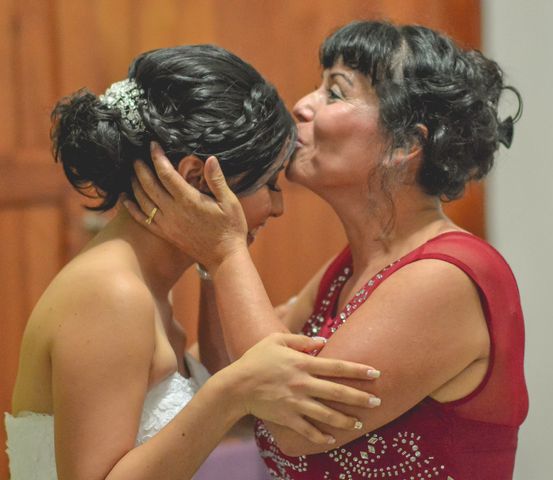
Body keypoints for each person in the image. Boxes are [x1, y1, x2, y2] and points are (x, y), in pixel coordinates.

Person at [127, 21, 529, 480]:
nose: (301, 105)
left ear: (406, 144)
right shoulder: (351, 270)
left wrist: (225, 252)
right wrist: (212, 259)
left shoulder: (445, 276)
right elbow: (230, 379)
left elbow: (296, 421)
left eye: (335, 93)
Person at [5, 44, 385, 480]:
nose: (278, 207)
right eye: (271, 183)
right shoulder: (112, 295)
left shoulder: (146, 284)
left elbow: (234, 394)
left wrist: (215, 262)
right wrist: (230, 393)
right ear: (194, 179)